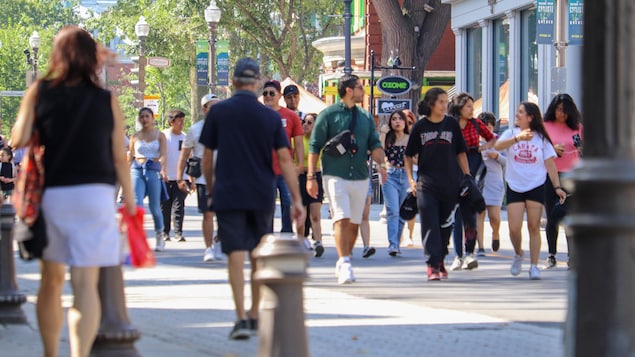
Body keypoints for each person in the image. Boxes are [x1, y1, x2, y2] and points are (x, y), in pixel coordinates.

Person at [10, 26, 136, 357]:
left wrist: (32, 105)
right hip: (96, 196)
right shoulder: (106, 100)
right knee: (85, 286)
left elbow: (18, 140)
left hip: (54, 196)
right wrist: (132, 203)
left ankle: (51, 353)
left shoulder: (41, 91)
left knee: (51, 282)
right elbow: (119, 158)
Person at [199, 58, 304, 340]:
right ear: (257, 83)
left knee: (235, 253)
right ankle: (256, 312)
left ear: (233, 82)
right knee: (259, 253)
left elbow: (207, 158)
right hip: (262, 192)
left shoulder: (219, 112)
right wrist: (297, 199)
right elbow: (285, 158)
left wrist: (211, 188)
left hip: (228, 191)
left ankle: (240, 316)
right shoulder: (270, 117)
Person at [307, 74, 386, 285]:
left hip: (360, 175)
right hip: (335, 174)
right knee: (341, 218)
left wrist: (382, 163)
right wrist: (311, 177)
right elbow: (315, 145)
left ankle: (346, 258)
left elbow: (374, 143)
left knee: (353, 224)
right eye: (360, 87)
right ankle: (344, 262)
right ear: (349, 90)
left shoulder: (365, 117)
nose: (363, 90)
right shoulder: (328, 115)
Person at [404, 87, 471, 281]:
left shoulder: (451, 124)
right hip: (426, 184)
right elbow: (408, 156)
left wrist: (467, 176)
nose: (444, 105)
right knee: (429, 222)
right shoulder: (420, 127)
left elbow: (460, 152)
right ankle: (432, 264)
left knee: (444, 224)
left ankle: (440, 256)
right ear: (431, 104)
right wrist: (410, 180)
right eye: (441, 101)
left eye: (445, 102)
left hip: (450, 183)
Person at [494, 102, 567, 280]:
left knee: (533, 226)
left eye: (521, 112)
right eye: (517, 112)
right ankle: (518, 254)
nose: (517, 115)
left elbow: (550, 164)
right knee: (514, 228)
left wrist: (557, 187)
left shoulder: (541, 138)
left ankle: (534, 265)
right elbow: (497, 146)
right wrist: (518, 139)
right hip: (515, 185)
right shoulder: (511, 133)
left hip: (536, 185)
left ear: (530, 117)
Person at [448, 93, 495, 271]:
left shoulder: (476, 123)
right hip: (454, 169)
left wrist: (485, 146)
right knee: (457, 213)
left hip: (473, 168)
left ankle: (469, 254)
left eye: (472, 106)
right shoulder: (449, 124)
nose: (471, 109)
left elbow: (492, 137)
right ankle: (458, 255)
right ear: (459, 107)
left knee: (470, 213)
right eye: (468, 106)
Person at [177, 94, 223, 261]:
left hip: (226, 178)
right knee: (208, 214)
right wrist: (180, 178)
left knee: (226, 214)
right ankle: (209, 248)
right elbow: (184, 156)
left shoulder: (228, 127)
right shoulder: (194, 130)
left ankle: (219, 240)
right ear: (204, 109)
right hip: (204, 179)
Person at [543, 93, 582, 268]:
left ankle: (572, 256)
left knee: (570, 216)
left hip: (571, 175)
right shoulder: (545, 126)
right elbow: (539, 148)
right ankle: (551, 254)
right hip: (551, 175)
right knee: (552, 215)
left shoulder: (577, 127)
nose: (562, 114)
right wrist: (552, 149)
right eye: (559, 110)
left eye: (565, 111)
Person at [262, 80, 304, 233]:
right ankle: (267, 234)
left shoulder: (291, 116)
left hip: (286, 170)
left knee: (288, 202)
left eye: (271, 93)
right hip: (265, 170)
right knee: (267, 205)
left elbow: (298, 142)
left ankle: (286, 231)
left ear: (279, 95)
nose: (268, 96)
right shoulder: (259, 114)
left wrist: (299, 164)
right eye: (265, 93)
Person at [128, 107, 168, 252]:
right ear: (139, 119)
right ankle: (137, 238)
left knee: (154, 207)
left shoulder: (160, 135)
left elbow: (163, 154)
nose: (145, 119)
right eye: (142, 117)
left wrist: (163, 169)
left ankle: (159, 235)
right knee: (137, 205)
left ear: (152, 118)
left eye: (147, 116)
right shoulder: (134, 136)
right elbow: (130, 156)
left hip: (152, 169)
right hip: (136, 169)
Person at [381, 110, 410, 256]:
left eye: (400, 119)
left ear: (405, 122)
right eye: (394, 119)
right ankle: (392, 244)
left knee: (402, 213)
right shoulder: (388, 138)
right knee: (393, 210)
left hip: (405, 175)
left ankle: (396, 243)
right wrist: (383, 132)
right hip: (390, 175)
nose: (397, 121)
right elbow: (379, 151)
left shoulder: (410, 138)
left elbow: (418, 157)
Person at [476, 112, 506, 253]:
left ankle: (495, 233)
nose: (487, 129)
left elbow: (508, 162)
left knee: (495, 217)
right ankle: (480, 246)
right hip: (478, 183)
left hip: (495, 182)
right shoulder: (474, 141)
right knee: (479, 215)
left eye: (489, 127)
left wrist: (497, 156)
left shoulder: (499, 142)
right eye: (483, 127)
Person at [296, 113, 325, 257]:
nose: (305, 124)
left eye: (309, 122)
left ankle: (318, 241)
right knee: (301, 212)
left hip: (316, 177)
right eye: (304, 122)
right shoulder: (297, 140)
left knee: (315, 213)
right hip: (301, 177)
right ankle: (301, 242)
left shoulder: (320, 141)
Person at [160, 109, 188, 242]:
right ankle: (165, 232)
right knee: (165, 206)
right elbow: (159, 155)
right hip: (165, 177)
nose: (182, 124)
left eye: (183, 121)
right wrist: (162, 171)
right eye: (179, 121)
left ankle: (178, 232)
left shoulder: (185, 137)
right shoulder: (163, 136)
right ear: (171, 122)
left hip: (181, 178)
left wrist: (191, 180)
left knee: (179, 206)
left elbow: (190, 158)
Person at [401, 109, 418, 247]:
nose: (407, 125)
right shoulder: (392, 136)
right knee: (397, 206)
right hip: (396, 173)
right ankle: (399, 235)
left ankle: (409, 235)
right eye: (404, 122)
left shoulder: (418, 137)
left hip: (415, 173)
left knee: (410, 204)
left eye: (410, 122)